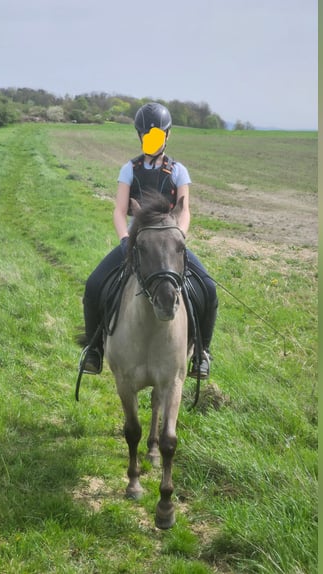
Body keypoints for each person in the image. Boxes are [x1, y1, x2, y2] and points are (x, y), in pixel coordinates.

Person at [81, 102, 218, 378]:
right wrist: (124, 239)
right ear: (140, 136)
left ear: (168, 135)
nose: (151, 141)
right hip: (137, 243)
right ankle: (94, 350)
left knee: (208, 289)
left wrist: (179, 236)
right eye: (146, 136)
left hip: (169, 243)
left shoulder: (179, 171)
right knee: (94, 285)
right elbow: (120, 211)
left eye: (156, 135)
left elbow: (185, 210)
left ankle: (201, 352)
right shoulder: (128, 170)